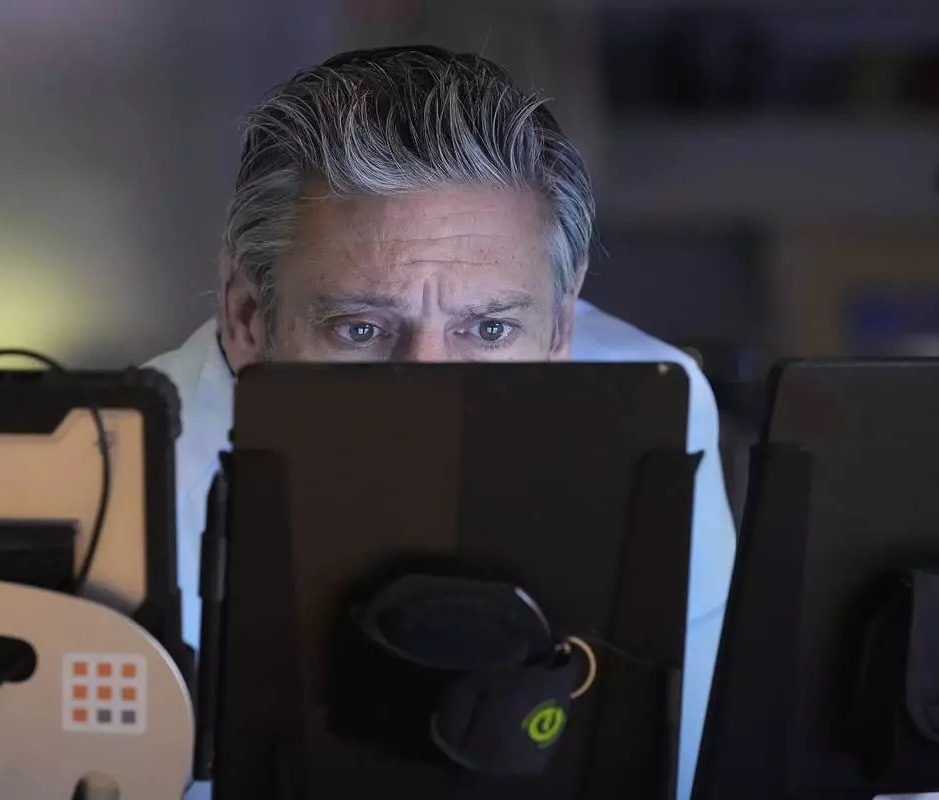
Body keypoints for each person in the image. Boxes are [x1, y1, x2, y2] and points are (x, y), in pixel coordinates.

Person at [148, 45, 735, 799]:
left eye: (488, 331)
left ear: (561, 324)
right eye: (360, 330)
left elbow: (691, 751)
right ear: (246, 313)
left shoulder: (658, 404)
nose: (428, 388)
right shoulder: (110, 477)